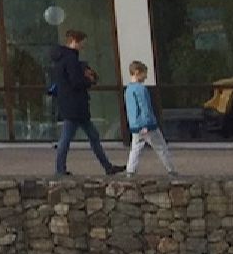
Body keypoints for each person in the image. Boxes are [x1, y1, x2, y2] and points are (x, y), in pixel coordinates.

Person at [49, 28, 115, 176]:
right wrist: (88, 81)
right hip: (76, 106)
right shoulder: (71, 59)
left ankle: (108, 167)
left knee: (91, 136)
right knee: (68, 139)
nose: (83, 46)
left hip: (70, 104)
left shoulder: (60, 59)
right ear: (74, 41)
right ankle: (60, 169)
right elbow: (76, 81)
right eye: (82, 43)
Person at [123, 60, 176, 175]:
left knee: (135, 149)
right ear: (137, 72)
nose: (146, 77)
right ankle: (171, 169)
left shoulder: (128, 90)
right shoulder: (141, 89)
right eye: (144, 74)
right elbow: (145, 107)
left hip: (135, 126)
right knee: (161, 147)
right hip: (148, 125)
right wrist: (147, 123)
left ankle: (130, 171)